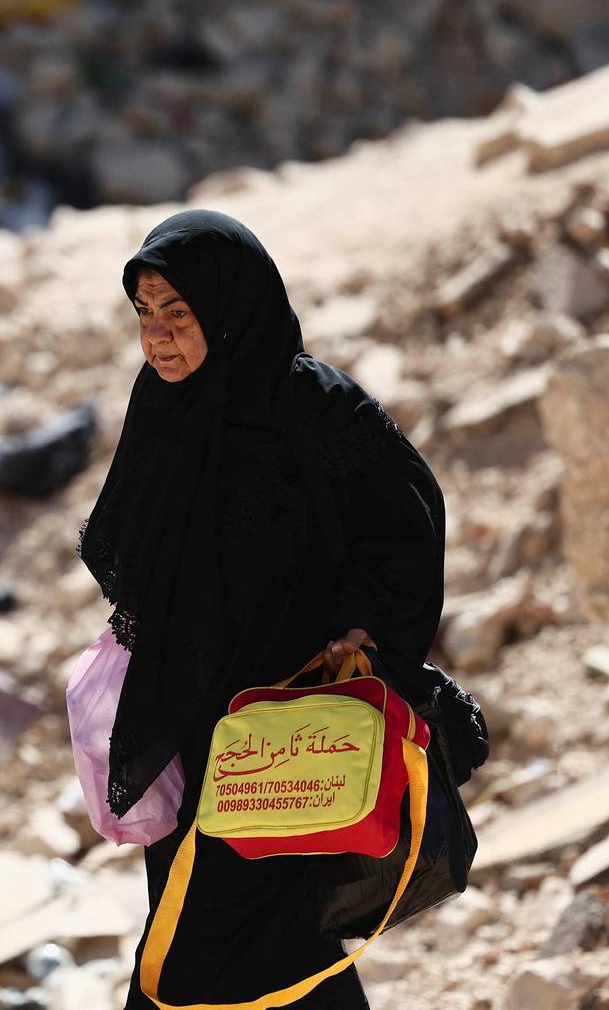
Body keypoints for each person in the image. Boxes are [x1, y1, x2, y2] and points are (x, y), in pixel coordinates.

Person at [77, 210, 446, 1010]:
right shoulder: (166, 408)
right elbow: (128, 545)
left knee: (200, 949)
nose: (159, 337)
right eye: (145, 313)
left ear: (228, 308)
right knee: (266, 938)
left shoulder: (308, 404)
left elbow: (407, 522)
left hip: (286, 723)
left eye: (179, 313)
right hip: (192, 717)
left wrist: (363, 625)